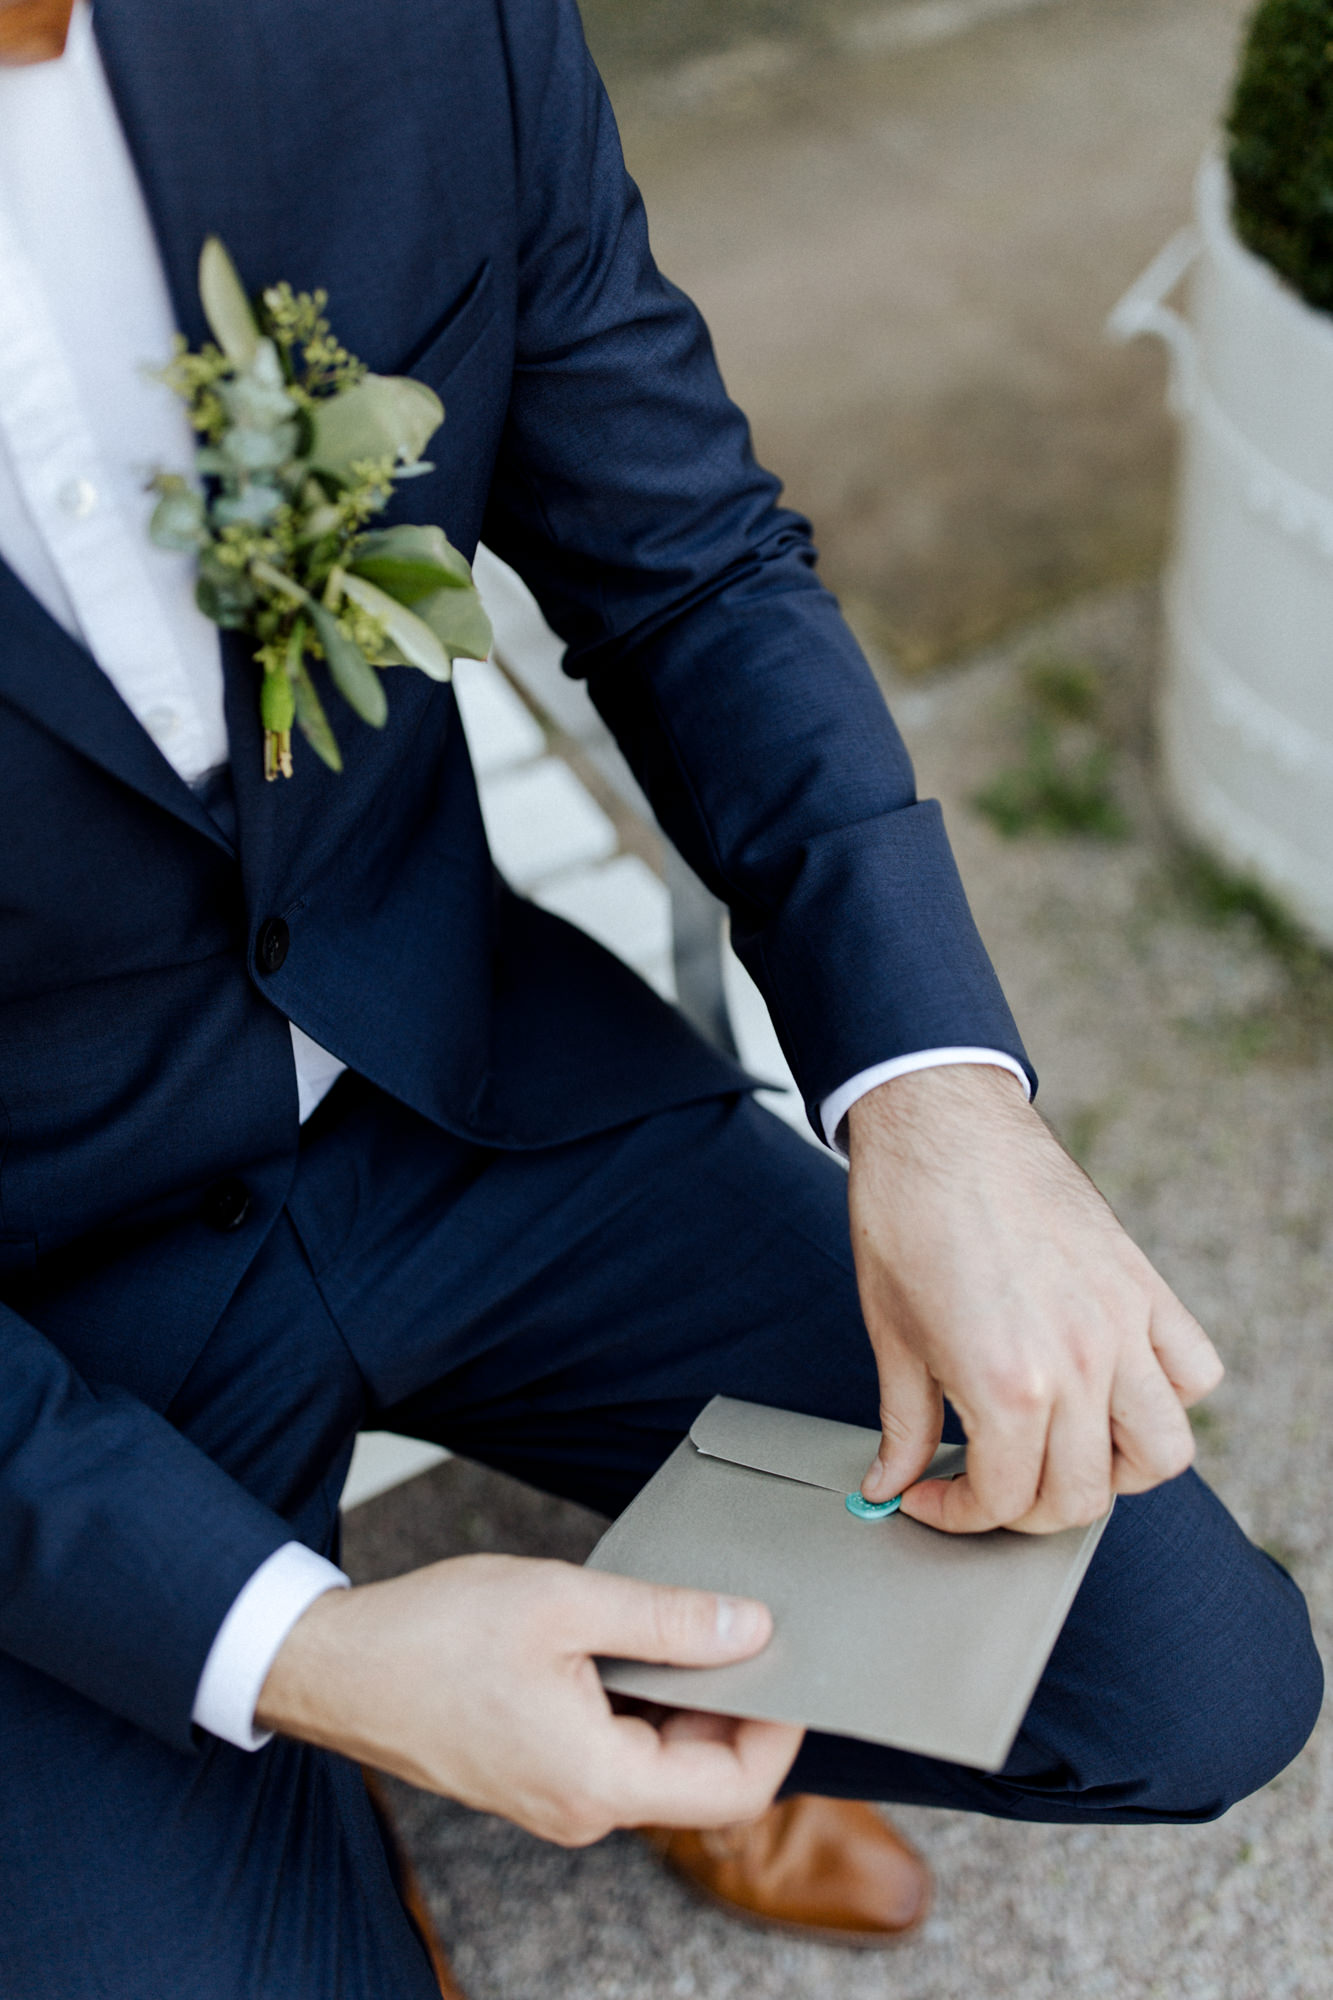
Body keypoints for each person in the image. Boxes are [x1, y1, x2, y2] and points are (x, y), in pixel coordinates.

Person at [0, 0, 1321, 1994]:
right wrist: (301, 1646)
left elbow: (683, 558)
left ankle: (646, 1721)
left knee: (1187, 1679)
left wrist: (938, 1098)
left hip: (463, 1081)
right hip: (48, 1309)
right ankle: (349, 1727)